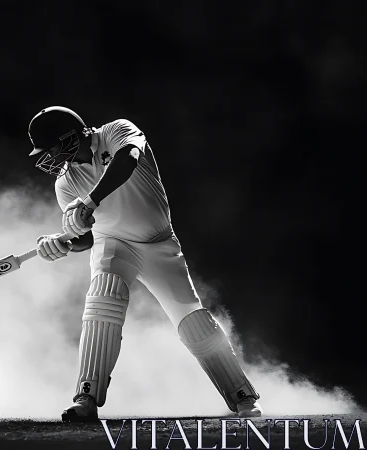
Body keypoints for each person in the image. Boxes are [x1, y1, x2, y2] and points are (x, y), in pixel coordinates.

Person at [30, 106, 263, 422]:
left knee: (192, 321)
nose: (51, 158)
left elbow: (128, 159)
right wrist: (63, 243)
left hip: (158, 244)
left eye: (52, 147)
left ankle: (243, 398)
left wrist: (89, 201)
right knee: (103, 298)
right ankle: (86, 398)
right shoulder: (66, 183)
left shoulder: (115, 132)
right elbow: (86, 237)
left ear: (71, 135)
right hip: (113, 245)